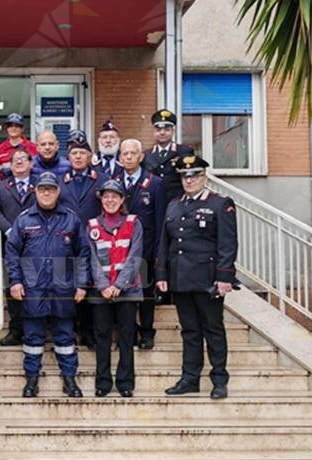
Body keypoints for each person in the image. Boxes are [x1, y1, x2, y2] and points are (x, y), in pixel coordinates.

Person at [156, 155, 238, 400]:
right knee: (189, 331)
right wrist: (162, 273)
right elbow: (165, 242)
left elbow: (228, 244)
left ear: (204, 177)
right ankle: (190, 378)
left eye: (194, 175)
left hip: (207, 279)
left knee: (213, 329)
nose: (189, 180)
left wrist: (224, 277)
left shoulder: (220, 204)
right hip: (181, 278)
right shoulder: (174, 205)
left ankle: (219, 380)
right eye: (184, 175)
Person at [6, 171, 90, 398]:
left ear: (57, 192)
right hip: (33, 288)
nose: (46, 193)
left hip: (64, 288)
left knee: (65, 336)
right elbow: (12, 253)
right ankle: (31, 380)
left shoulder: (71, 218)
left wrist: (82, 284)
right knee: (33, 338)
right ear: (35, 191)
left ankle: (70, 380)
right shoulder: (24, 220)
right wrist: (15, 281)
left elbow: (82, 253)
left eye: (50, 189)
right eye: (42, 189)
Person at [87, 180, 143, 398]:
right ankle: (103, 382)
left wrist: (119, 284)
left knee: (126, 338)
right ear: (101, 200)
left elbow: (135, 255)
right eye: (106, 196)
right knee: (102, 337)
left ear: (122, 200)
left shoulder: (133, 223)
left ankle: (125, 382)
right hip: (101, 291)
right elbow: (90, 258)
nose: (110, 200)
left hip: (127, 291)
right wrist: (103, 285)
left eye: (115, 196)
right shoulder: (92, 224)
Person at [57, 129, 109, 349]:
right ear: (68, 157)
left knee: (91, 288)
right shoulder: (60, 181)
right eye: (74, 153)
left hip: (95, 243)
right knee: (69, 287)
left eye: (82, 153)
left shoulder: (102, 179)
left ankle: (89, 333)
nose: (77, 157)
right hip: (67, 243)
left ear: (90, 156)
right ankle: (71, 330)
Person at [119, 139, 167, 350]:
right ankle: (129, 332)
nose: (128, 157)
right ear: (120, 158)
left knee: (146, 294)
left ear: (141, 157)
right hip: (119, 250)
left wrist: (158, 252)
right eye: (125, 154)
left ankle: (147, 332)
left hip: (146, 249)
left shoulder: (155, 183)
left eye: (133, 153)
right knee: (124, 295)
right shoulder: (112, 181)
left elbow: (161, 220)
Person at [0, 147, 36, 347]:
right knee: (13, 286)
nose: (18, 162)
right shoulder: (1, 186)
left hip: (36, 243)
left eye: (23, 158)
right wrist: (10, 230)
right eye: (14, 159)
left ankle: (34, 328)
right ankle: (16, 330)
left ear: (31, 163)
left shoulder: (41, 184)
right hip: (10, 245)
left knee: (34, 286)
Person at [142, 109, 195, 201]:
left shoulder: (184, 152)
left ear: (173, 132)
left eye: (167, 129)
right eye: (158, 130)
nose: (162, 133)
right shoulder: (147, 155)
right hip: (154, 201)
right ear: (154, 132)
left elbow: (190, 176)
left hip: (177, 201)